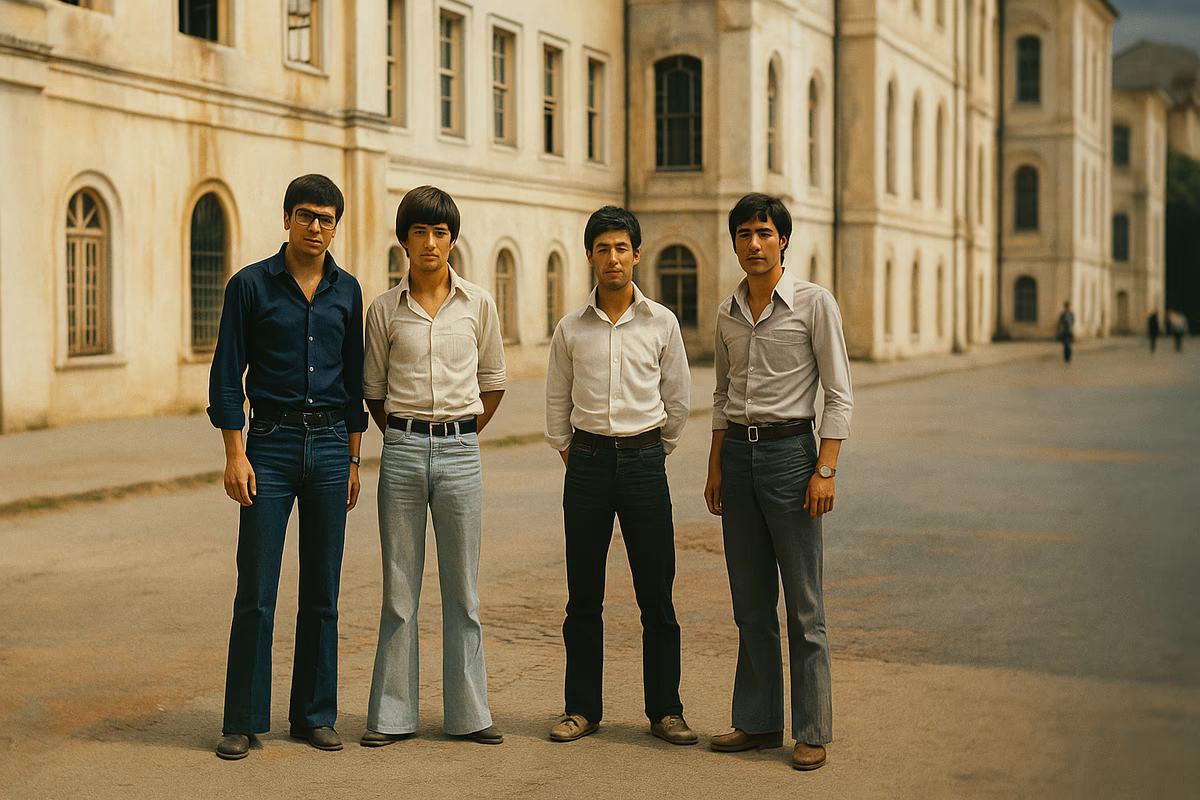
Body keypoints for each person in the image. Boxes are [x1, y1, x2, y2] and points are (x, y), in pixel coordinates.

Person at [208, 174, 368, 760]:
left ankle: (313, 715)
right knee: (256, 588)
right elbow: (227, 373)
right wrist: (234, 451)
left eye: (326, 218)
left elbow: (355, 381)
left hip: (329, 445)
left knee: (322, 588)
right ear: (286, 219)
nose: (316, 226)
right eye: (306, 215)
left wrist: (353, 458)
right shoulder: (250, 286)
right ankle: (242, 720)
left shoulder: (347, 292)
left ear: (336, 225)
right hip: (269, 444)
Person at [704, 193, 853, 772]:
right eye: (743, 234)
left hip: (794, 456)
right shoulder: (727, 312)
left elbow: (839, 394)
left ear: (783, 240)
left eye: (764, 232)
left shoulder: (815, 305)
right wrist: (716, 465)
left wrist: (825, 468)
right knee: (750, 602)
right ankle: (760, 722)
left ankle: (812, 729)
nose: (754, 243)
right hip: (738, 457)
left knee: (804, 605)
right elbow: (721, 394)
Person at [360, 186, 506, 747]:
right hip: (400, 451)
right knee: (399, 590)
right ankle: (393, 716)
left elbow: (492, 382)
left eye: (440, 233)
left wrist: (459, 432)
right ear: (403, 241)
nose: (429, 243)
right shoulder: (382, 309)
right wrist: (407, 432)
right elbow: (374, 390)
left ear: (452, 240)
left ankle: (469, 714)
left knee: (463, 591)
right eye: (418, 232)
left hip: (460, 453)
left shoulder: (479, 305)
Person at [544, 206, 695, 746]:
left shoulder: (662, 323)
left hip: (644, 464)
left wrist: (650, 450)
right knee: (583, 596)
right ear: (590, 256)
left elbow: (677, 401)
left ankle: (666, 710)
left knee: (657, 594)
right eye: (602, 248)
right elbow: (557, 403)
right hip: (585, 466)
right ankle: (581, 708)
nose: (612, 258)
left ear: (637, 253)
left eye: (621, 248)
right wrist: (576, 453)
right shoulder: (570, 328)